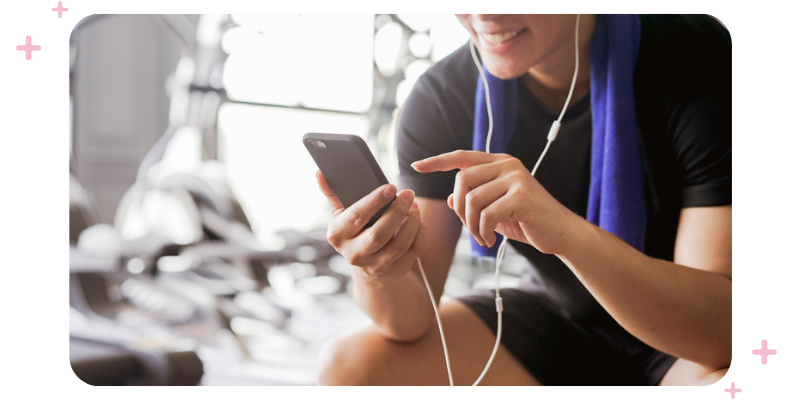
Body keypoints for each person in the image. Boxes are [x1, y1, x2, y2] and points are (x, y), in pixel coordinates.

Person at [315, 14, 731, 386]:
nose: (485, 13)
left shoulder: (693, 53)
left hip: (683, 331)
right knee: (349, 366)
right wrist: (375, 264)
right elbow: (409, 321)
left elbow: (723, 334)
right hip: (563, 312)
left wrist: (564, 233)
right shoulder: (443, 96)